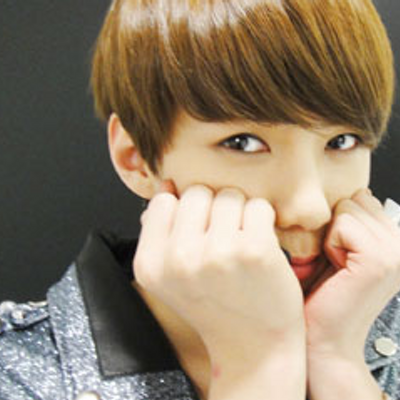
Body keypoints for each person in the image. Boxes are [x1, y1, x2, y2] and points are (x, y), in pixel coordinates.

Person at [1, 0, 400, 399]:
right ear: (136, 157)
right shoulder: (15, 372)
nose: (309, 209)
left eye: (342, 141)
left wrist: (337, 363)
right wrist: (258, 368)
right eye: (243, 143)